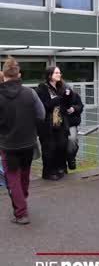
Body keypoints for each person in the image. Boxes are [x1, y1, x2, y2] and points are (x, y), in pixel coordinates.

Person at [0, 57, 45, 224]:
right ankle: (22, 199)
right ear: (19, 74)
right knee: (24, 174)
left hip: (8, 145)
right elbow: (41, 115)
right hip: (28, 142)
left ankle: (21, 212)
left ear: (4, 75)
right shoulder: (30, 93)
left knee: (12, 178)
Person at [36, 66, 72, 181]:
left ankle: (58, 168)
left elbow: (65, 104)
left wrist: (68, 96)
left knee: (60, 145)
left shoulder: (61, 87)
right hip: (47, 124)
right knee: (49, 148)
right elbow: (44, 106)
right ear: (49, 75)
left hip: (60, 123)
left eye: (60, 73)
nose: (59, 75)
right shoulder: (42, 88)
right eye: (56, 73)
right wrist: (58, 98)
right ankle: (48, 172)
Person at [65, 88, 84, 171]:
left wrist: (73, 108)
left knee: (72, 140)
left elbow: (80, 106)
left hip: (71, 123)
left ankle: (71, 158)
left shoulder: (73, 94)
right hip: (57, 124)